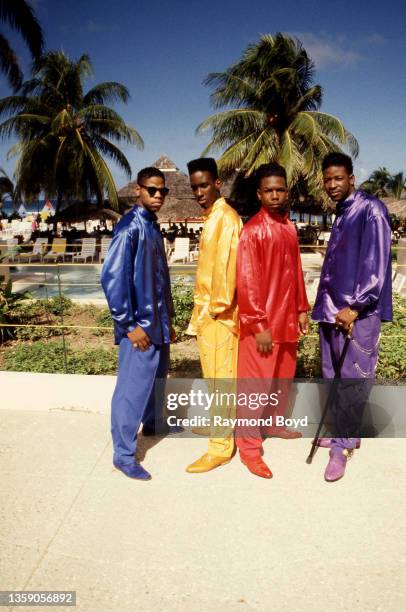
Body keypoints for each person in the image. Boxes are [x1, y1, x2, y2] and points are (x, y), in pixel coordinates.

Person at [312, 152, 392, 482]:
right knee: (333, 376)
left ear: (351, 179)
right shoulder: (342, 213)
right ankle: (344, 432)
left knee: (352, 379)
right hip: (331, 310)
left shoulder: (371, 209)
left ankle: (341, 448)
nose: (332, 185)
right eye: (327, 179)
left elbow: (376, 265)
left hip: (357, 314)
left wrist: (356, 307)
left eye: (338, 178)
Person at [101, 167, 175, 481]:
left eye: (163, 191)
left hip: (157, 323)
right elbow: (112, 278)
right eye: (152, 190)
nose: (158, 196)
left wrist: (168, 319)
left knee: (155, 381)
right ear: (138, 190)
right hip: (140, 328)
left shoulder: (152, 226)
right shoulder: (130, 227)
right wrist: (129, 325)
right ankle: (123, 455)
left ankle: (154, 423)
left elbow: (160, 280)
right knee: (131, 391)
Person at [235, 163, 309, 478]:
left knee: (281, 381)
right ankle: (249, 450)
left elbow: (295, 272)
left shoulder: (288, 227)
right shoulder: (253, 230)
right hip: (263, 328)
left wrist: (302, 308)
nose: (275, 195)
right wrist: (258, 324)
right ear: (259, 193)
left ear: (286, 191)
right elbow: (247, 281)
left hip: (287, 321)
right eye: (269, 190)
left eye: (280, 189)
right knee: (254, 388)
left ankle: (273, 424)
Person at [185, 157, 243, 473]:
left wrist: (217, 310)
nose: (198, 192)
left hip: (219, 315)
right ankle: (218, 427)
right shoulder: (212, 217)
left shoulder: (227, 218)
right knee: (214, 379)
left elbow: (229, 268)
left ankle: (220, 447)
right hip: (207, 313)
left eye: (204, 185)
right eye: (194, 186)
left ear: (217, 183)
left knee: (222, 381)